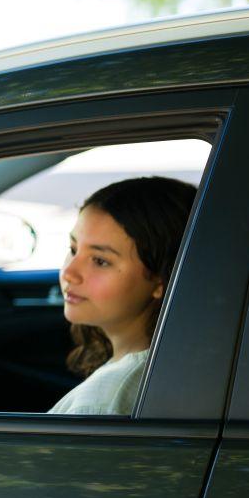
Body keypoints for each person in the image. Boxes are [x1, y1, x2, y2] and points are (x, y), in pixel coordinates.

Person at [50, 176, 196, 416]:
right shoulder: (165, 366)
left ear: (161, 280)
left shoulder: (102, 402)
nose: (69, 273)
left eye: (100, 261)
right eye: (73, 249)